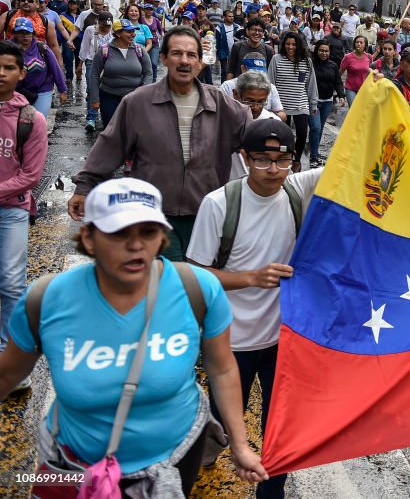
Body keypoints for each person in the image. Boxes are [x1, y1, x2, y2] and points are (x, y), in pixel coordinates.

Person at [0, 178, 267, 494]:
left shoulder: (197, 289)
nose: (136, 245)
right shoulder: (45, 299)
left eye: (148, 232)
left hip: (174, 460)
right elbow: (7, 374)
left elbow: (222, 369)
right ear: (88, 237)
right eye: (119, 233)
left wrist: (240, 444)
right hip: (71, 465)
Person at [187, 119, 322, 499]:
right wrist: (250, 278)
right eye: (262, 160)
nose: (274, 170)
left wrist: (387, 100)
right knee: (222, 425)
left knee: (278, 428)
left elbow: (357, 157)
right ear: (244, 158)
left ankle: (271, 492)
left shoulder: (297, 189)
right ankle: (207, 451)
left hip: (282, 340)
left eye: (283, 160)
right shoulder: (219, 204)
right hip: (230, 343)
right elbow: (196, 276)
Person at [70, 26, 252, 261]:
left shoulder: (222, 105)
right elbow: (109, 146)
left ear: (200, 62)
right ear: (164, 58)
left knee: (200, 285)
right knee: (165, 284)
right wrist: (84, 187)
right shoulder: (138, 103)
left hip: (207, 215)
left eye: (191, 55)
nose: (184, 61)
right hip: (154, 215)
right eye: (176, 53)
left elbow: (258, 138)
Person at [0, 41, 47, 368]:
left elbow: (31, 175)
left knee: (11, 283)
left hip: (13, 211)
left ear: (20, 74)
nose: (1, 74)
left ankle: (11, 358)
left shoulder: (31, 119)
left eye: (8, 68)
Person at [89, 19, 153, 129]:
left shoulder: (140, 50)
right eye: (129, 32)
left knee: (133, 129)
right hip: (109, 97)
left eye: (133, 31)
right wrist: (95, 98)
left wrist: (143, 93)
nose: (133, 34)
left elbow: (148, 73)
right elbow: (94, 75)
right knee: (111, 129)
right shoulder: (104, 50)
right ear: (118, 33)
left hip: (134, 98)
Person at [269, 33, 318, 173]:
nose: (290, 47)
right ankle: (284, 157)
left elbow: (311, 84)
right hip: (280, 105)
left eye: (294, 44)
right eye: (288, 44)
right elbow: (270, 82)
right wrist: (270, 105)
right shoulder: (276, 59)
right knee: (283, 135)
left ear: (299, 46)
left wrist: (313, 104)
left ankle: (296, 160)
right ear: (283, 45)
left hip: (300, 103)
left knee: (302, 133)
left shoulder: (306, 61)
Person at [10, 16, 67, 119]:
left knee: (37, 120)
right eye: (21, 33)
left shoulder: (42, 48)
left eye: (27, 33)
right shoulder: (8, 49)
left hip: (42, 90)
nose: (25, 36)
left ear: (33, 34)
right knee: (17, 124)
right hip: (15, 92)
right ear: (15, 34)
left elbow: (55, 69)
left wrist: (62, 90)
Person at [229, 71, 281, 179]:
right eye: (249, 101)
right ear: (235, 94)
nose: (256, 107)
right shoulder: (224, 121)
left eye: (261, 102)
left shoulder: (274, 123)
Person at [1, 0, 62, 74]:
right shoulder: (8, 16)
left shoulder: (46, 22)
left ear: (37, 4)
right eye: (23, 0)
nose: (26, 2)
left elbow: (54, 47)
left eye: (30, 1)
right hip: (11, 65)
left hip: (38, 69)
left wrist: (58, 72)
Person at [219, 53, 287, 122]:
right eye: (249, 101)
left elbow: (282, 114)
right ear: (243, 68)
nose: (255, 108)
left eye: (261, 102)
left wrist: (268, 116)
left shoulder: (270, 87)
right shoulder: (227, 86)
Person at [309, 41, 343, 168]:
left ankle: (315, 153)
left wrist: (341, 95)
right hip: (313, 102)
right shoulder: (310, 63)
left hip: (327, 101)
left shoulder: (333, 65)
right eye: (321, 50)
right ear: (317, 51)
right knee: (315, 128)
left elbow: (338, 81)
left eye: (326, 51)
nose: (324, 53)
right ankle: (313, 157)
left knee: (320, 128)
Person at [79, 11, 114, 133]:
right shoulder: (90, 30)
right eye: (104, 25)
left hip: (109, 63)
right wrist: (80, 65)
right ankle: (91, 118)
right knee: (92, 89)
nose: (106, 28)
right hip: (92, 62)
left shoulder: (114, 31)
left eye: (108, 26)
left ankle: (108, 116)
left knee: (107, 89)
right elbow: (84, 47)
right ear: (99, 22)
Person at [339, 34, 372, 107]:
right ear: (354, 44)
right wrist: (338, 90)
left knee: (363, 111)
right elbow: (339, 73)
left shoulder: (369, 57)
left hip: (364, 89)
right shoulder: (348, 57)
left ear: (365, 45)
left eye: (361, 42)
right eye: (357, 42)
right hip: (351, 88)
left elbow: (370, 72)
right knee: (354, 109)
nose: (359, 44)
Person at [215, 9, 242, 84]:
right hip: (223, 53)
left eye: (232, 16)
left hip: (235, 53)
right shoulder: (219, 28)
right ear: (224, 17)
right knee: (225, 71)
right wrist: (217, 54)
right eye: (229, 16)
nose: (232, 18)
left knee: (234, 71)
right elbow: (217, 41)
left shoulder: (237, 27)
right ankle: (223, 88)